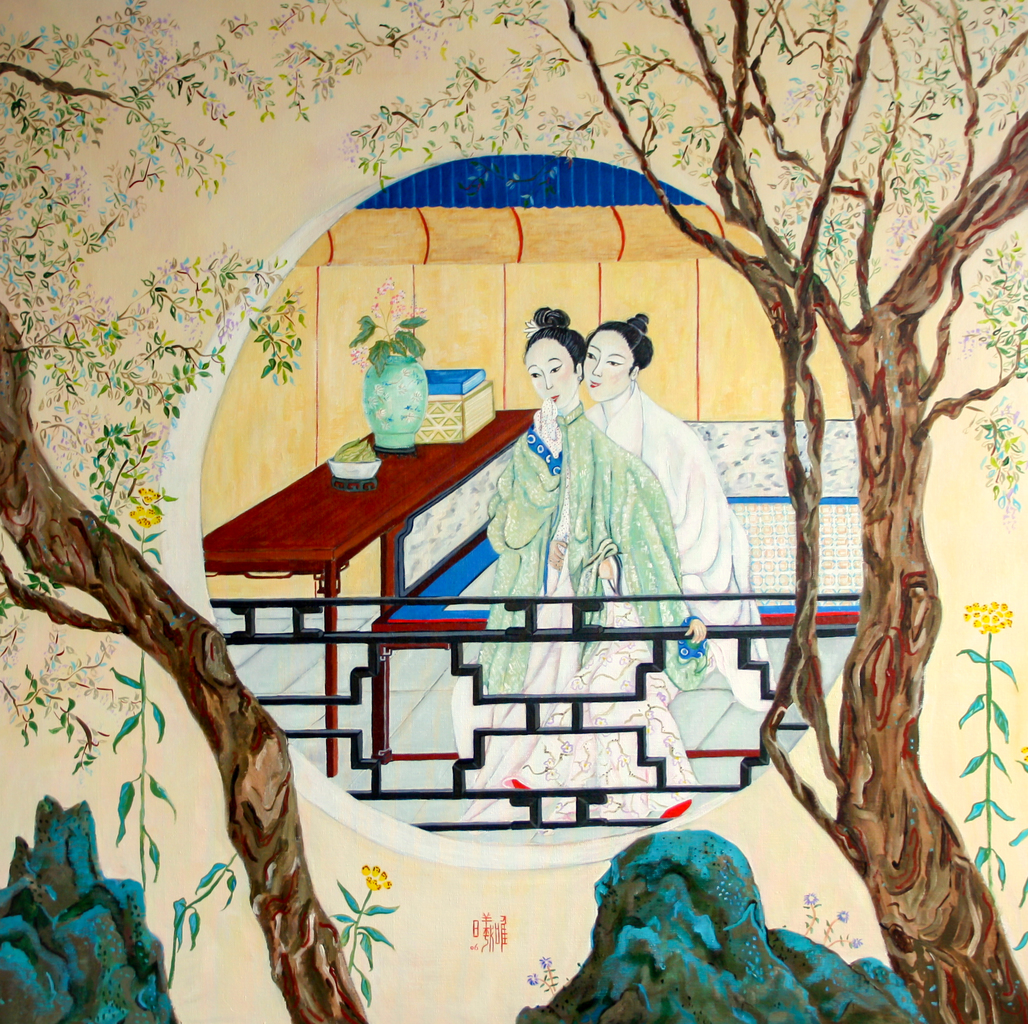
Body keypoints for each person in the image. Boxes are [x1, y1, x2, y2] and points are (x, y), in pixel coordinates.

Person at [453, 307, 705, 823]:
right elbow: (507, 531)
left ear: (576, 368)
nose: (547, 383)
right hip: (542, 590)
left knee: (594, 685)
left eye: (557, 369)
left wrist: (603, 566)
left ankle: (582, 789)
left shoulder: (607, 453)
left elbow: (640, 530)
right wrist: (547, 539)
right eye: (536, 374)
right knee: (488, 694)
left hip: (589, 598)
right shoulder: (535, 442)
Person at [584, 313, 770, 711]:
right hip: (616, 572)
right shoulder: (588, 425)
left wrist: (630, 565)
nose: (596, 371)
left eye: (612, 362)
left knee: (623, 687)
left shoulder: (670, 437)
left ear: (634, 371)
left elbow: (698, 529)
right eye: (592, 356)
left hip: (677, 570)